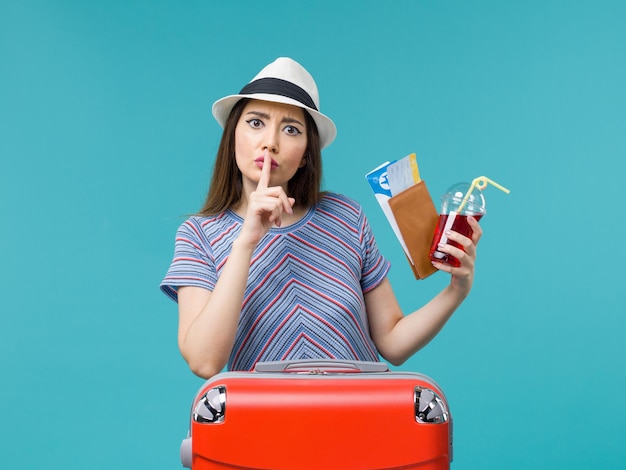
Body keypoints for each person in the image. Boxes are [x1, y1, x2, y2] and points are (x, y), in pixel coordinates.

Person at [161, 57, 481, 379]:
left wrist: (457, 290)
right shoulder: (198, 234)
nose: (270, 142)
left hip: (360, 416)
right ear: (233, 136)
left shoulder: (346, 217)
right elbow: (204, 362)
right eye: (256, 123)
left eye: (290, 129)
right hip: (265, 423)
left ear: (305, 156)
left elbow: (394, 343)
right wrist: (246, 242)